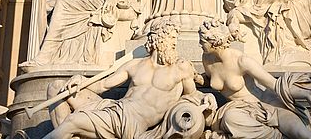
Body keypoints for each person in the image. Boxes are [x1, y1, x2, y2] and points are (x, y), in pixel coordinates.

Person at [41, 19, 215, 139]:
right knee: (57, 88)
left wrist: (208, 97)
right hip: (115, 109)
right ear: (156, 40)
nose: (174, 43)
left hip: (130, 121)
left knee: (72, 122)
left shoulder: (180, 68)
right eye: (170, 38)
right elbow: (102, 85)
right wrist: (81, 78)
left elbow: (193, 94)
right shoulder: (134, 65)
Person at [199, 20, 311, 139]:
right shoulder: (207, 59)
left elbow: (275, 85)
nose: (200, 43)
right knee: (230, 118)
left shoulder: (242, 61)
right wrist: (198, 81)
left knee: (303, 135)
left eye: (203, 40)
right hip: (238, 109)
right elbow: (210, 79)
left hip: (267, 106)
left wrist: (306, 93)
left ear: (215, 41)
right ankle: (277, 136)